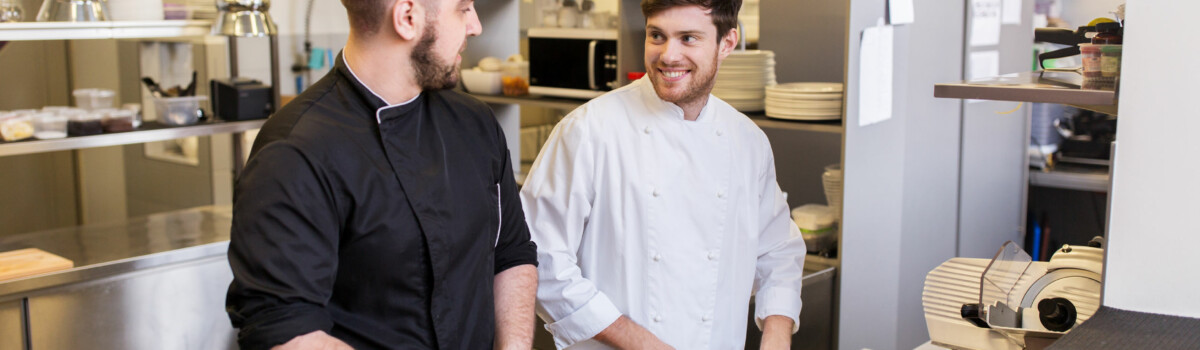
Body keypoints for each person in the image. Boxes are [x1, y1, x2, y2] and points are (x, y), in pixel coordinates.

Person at [224, 0, 538, 348]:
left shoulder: (475, 123)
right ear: (407, 18)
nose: (475, 25)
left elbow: (512, 254)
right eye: (463, 9)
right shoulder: (296, 150)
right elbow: (287, 330)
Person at [520, 0, 807, 348]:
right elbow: (539, 257)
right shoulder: (589, 131)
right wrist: (641, 342)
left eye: (688, 38)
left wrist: (776, 335)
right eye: (657, 36)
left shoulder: (747, 141)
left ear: (727, 43)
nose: (668, 55)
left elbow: (778, 249)